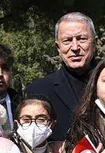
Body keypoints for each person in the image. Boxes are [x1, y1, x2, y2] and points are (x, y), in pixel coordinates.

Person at [26, 12, 100, 140]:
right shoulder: (39, 90)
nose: (75, 47)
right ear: (58, 47)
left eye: (82, 39)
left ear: (95, 42)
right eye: (67, 41)